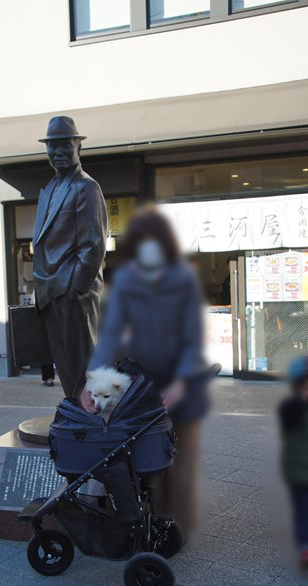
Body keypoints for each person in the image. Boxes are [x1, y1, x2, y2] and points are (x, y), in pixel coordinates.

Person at [81, 205, 207, 534]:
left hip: (182, 385)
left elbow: (193, 342)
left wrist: (181, 382)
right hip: (144, 387)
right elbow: (109, 340)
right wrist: (90, 382)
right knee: (148, 457)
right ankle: (147, 523)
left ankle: (177, 526)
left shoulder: (183, 282)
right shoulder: (125, 283)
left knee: (179, 459)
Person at [33, 116, 107, 398]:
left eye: (65, 145)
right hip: (50, 289)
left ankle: (88, 412)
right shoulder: (49, 189)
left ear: (79, 147)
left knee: (82, 358)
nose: (58, 152)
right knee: (63, 359)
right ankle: (75, 408)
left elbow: (94, 244)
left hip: (73, 290)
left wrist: (76, 288)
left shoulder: (86, 187)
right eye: (53, 146)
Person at [278, 355, 308, 569]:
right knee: (303, 511)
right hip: (299, 472)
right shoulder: (291, 407)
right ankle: (304, 548)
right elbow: (286, 422)